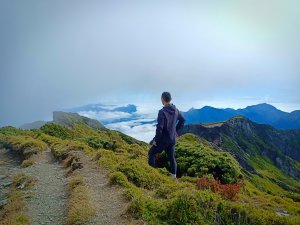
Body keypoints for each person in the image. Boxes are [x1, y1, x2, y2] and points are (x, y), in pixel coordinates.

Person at [148, 91, 185, 178]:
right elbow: (182, 120)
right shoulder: (176, 110)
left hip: (164, 140)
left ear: (162, 99)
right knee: (171, 158)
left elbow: (160, 128)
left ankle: (152, 175)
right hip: (172, 139)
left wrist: (155, 140)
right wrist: (175, 131)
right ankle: (173, 177)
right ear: (170, 99)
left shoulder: (162, 112)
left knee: (151, 152)